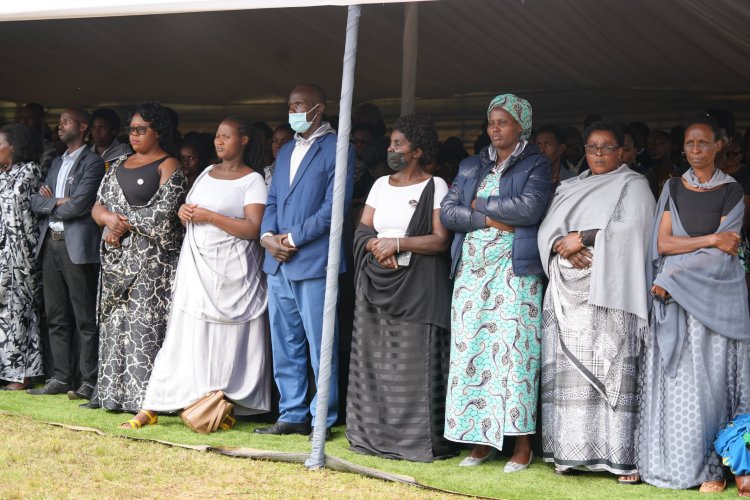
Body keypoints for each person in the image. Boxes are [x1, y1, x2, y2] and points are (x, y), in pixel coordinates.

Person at [121, 117, 271, 429]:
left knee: (225, 342)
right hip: (197, 264)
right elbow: (190, 211)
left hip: (231, 271)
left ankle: (216, 404)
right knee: (183, 336)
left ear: (243, 140)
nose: (219, 142)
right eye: (217, 136)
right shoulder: (206, 172)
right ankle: (154, 404)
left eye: (226, 136)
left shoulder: (253, 180)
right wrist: (184, 212)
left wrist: (210, 217)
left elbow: (253, 228)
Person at [537, 121, 655, 484]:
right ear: (584, 151)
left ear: (622, 151)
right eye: (592, 147)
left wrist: (584, 237)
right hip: (565, 291)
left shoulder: (634, 185)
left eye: (607, 147)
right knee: (568, 373)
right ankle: (569, 452)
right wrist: (564, 246)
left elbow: (636, 231)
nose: (599, 153)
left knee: (613, 369)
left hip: (612, 295)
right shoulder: (570, 186)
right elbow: (547, 231)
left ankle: (620, 458)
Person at [639, 114, 750, 493]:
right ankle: (676, 465)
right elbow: (662, 244)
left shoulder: (732, 190)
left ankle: (713, 470)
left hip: (715, 301)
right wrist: (709, 239)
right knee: (677, 386)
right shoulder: (672, 186)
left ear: (719, 146)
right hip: (675, 301)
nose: (696, 149)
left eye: (703, 142)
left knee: (711, 386)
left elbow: (726, 249)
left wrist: (672, 275)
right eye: (689, 143)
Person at [440, 94, 551, 472]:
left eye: (503, 122)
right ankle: (480, 439)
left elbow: (530, 209)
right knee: (473, 352)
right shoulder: (471, 164)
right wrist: (489, 219)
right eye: (491, 122)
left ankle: (522, 444)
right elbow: (448, 212)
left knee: (515, 356)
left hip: (515, 272)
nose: (495, 129)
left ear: (521, 126)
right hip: (471, 272)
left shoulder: (537, 163)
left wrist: (478, 204)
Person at [346, 114, 454, 462]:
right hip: (376, 281)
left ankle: (416, 441)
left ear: (417, 151)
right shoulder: (379, 185)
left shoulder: (435, 186)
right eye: (391, 144)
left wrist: (397, 243)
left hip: (419, 287)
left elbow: (439, 240)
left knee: (413, 366)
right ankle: (373, 435)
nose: (390, 150)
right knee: (375, 363)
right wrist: (377, 247)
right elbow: (363, 230)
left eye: (398, 145)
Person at [255, 84, 354, 438]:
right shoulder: (285, 152)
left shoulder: (338, 147)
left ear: (318, 109)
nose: (293, 111)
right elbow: (272, 200)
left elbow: (334, 208)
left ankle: (321, 417)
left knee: (320, 344)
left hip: (313, 260)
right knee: (285, 343)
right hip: (278, 261)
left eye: (299, 105)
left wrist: (292, 239)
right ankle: (292, 413)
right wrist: (268, 237)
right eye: (290, 105)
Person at [90, 102, 185, 412]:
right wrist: (108, 220)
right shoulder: (118, 163)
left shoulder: (168, 164)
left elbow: (164, 215)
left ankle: (144, 400)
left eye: (141, 129)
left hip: (152, 265)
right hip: (116, 259)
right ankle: (111, 395)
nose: (133, 135)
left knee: (143, 329)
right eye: (131, 129)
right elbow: (97, 205)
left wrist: (121, 223)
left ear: (158, 131)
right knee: (114, 325)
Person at [28, 109, 104, 400]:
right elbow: (35, 201)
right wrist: (59, 202)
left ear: (83, 127)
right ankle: (60, 377)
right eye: (59, 122)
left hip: (76, 246)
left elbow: (80, 205)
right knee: (56, 315)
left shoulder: (93, 162)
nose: (60, 126)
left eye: (66, 122)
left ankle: (88, 381)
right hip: (51, 244)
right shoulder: (57, 162)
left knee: (84, 317)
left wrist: (52, 204)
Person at [0, 124, 44, 390]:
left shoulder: (29, 171)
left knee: (19, 312)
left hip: (20, 254)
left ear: (13, 147)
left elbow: (21, 211)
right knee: (3, 314)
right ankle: (4, 370)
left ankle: (21, 374)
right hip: (2, 252)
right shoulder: (4, 173)